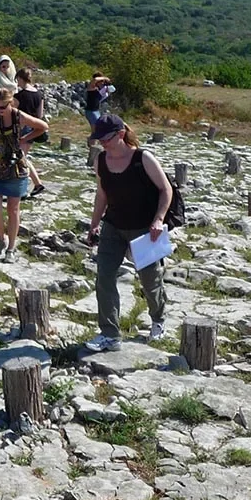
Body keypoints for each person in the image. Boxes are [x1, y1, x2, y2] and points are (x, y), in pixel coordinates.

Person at [84, 114, 171, 352]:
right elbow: (102, 194)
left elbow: (165, 189)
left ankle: (158, 320)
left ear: (121, 134)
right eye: (99, 139)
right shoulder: (101, 160)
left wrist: (158, 219)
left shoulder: (143, 158)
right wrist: (94, 224)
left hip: (145, 229)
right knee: (104, 277)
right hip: (113, 226)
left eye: (106, 138)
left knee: (150, 280)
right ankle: (110, 334)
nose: (102, 143)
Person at [0, 89, 46, 260]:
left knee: (13, 209)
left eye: (2, 107)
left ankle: (11, 247)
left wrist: (25, 138)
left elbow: (43, 127)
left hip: (15, 167)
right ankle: (1, 239)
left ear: (10, 103)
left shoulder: (19, 116)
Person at [14, 68, 47, 198]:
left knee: (21, 158)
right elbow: (40, 115)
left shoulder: (19, 96)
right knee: (22, 157)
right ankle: (36, 184)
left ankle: (29, 185)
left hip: (22, 128)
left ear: (20, 78)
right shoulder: (39, 94)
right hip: (34, 127)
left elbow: (13, 113)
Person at [84, 73, 113, 140]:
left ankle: (91, 142)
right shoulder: (91, 88)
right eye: (101, 81)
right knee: (96, 130)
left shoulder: (98, 90)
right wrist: (105, 78)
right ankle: (92, 143)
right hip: (91, 111)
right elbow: (95, 79)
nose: (102, 83)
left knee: (97, 129)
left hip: (96, 111)